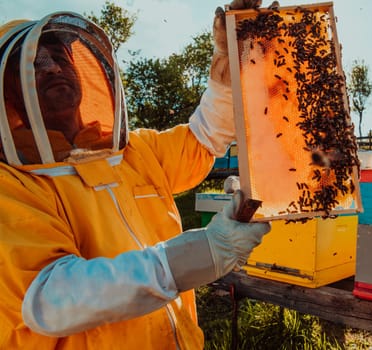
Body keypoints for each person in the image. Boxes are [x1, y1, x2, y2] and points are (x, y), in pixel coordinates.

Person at [0, 1, 271, 349]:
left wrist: (227, 75)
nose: (53, 68)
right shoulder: (12, 186)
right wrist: (200, 253)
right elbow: (52, 299)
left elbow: (203, 138)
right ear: (9, 93)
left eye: (60, 57)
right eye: (34, 63)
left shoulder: (134, 153)